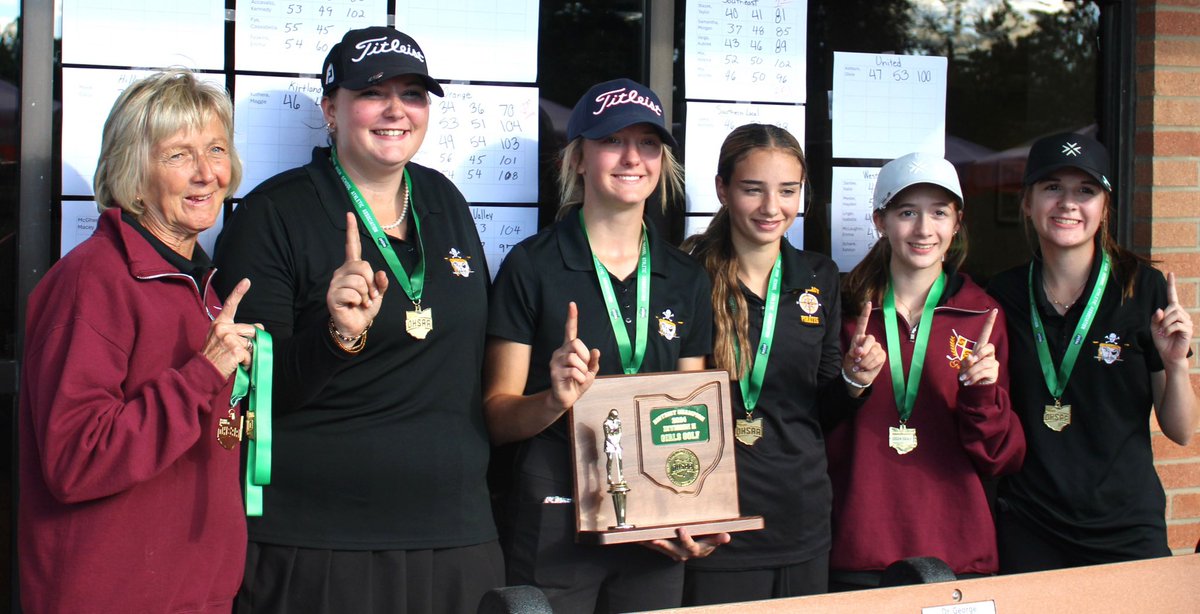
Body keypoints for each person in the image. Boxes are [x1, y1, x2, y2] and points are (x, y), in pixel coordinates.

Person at [213, 27, 501, 613]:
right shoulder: (274, 213)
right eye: (374, 92)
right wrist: (336, 336)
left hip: (456, 532)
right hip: (322, 542)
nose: (397, 110)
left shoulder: (444, 199)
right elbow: (253, 391)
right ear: (330, 109)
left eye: (414, 94)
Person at [484, 78, 725, 613]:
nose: (632, 157)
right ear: (578, 158)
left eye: (647, 143)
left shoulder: (685, 277)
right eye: (612, 140)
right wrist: (553, 399)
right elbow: (497, 419)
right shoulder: (532, 266)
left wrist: (694, 512)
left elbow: (692, 413)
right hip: (555, 512)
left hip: (653, 514)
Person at [19, 70, 255, 612]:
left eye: (216, 149)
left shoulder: (199, 284)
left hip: (196, 597)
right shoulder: (93, 280)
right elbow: (75, 460)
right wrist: (203, 373)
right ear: (132, 169)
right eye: (177, 155)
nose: (206, 173)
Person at [678, 123, 884, 604]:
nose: (773, 208)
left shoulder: (819, 276)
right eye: (754, 189)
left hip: (801, 515)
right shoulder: (685, 276)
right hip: (714, 519)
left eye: (788, 191)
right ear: (722, 190)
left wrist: (855, 379)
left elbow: (823, 411)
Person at [987, 133, 1198, 572]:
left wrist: (1176, 366)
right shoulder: (1001, 296)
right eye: (1052, 188)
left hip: (1125, 527)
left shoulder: (1143, 290)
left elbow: (1181, 431)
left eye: (1085, 191)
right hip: (1031, 526)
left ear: (1103, 208)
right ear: (1027, 202)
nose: (1068, 203)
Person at [828, 152, 1026, 590]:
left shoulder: (982, 315)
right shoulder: (844, 313)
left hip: (959, 550)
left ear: (957, 223)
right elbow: (818, 430)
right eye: (906, 213)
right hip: (861, 546)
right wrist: (850, 384)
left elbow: (1002, 456)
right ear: (880, 221)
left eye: (939, 213)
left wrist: (981, 394)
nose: (923, 229)